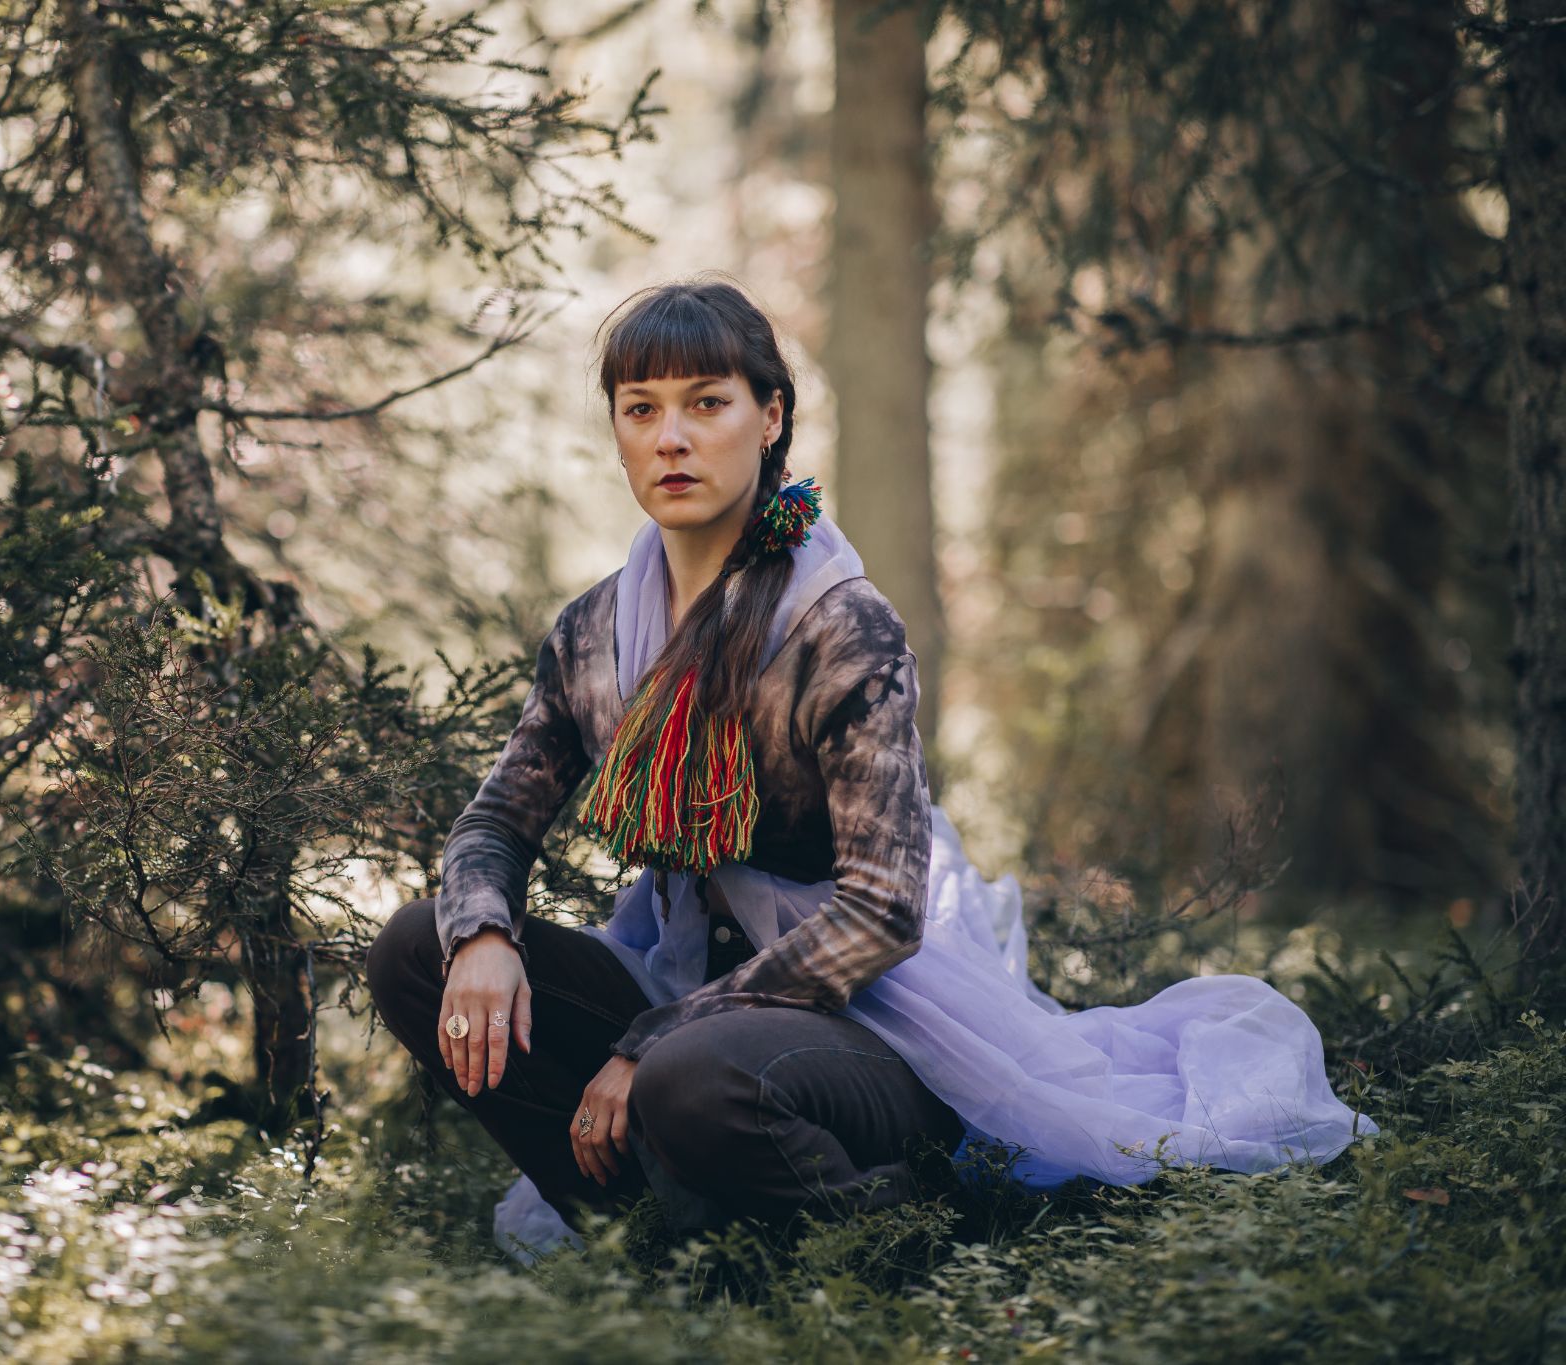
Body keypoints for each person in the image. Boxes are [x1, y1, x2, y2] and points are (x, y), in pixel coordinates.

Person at [366, 276, 1378, 1265]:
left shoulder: (838, 626)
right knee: (417, 947)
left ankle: (890, 1230)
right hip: (679, 983)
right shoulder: (595, 632)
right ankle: (641, 1239)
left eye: (705, 404)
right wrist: (485, 932)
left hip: (864, 1027)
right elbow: (497, 817)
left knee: (685, 1079)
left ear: (768, 419)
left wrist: (644, 1038)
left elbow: (883, 913)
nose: (669, 437)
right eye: (641, 409)